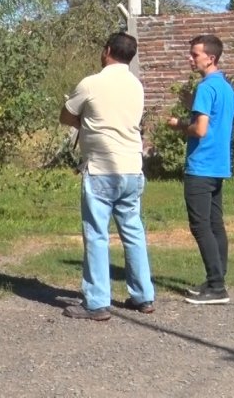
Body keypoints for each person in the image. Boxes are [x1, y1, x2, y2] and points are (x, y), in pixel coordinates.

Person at [59, 32, 155, 321]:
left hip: (101, 169)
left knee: (97, 235)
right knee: (133, 232)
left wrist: (85, 122)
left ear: (107, 51)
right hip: (131, 168)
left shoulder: (92, 83)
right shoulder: (136, 86)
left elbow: (66, 115)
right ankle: (143, 295)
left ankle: (97, 302)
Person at [168, 34, 234, 305]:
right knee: (215, 224)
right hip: (219, 165)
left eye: (195, 54)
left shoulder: (206, 88)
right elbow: (215, 120)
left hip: (201, 166)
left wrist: (178, 125)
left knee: (200, 226)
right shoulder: (225, 88)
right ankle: (216, 279)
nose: (190, 58)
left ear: (211, 57)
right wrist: (191, 107)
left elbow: (200, 129)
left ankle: (217, 287)